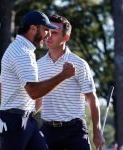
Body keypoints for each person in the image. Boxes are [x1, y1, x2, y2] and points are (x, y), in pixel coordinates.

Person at [0, 10, 75, 150]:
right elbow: (34, 91)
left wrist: (22, 109)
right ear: (32, 29)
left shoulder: (20, 49)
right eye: (45, 30)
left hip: (24, 120)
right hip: (15, 122)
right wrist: (63, 75)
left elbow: (1, 85)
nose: (48, 35)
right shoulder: (22, 53)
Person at [37, 14, 105, 150]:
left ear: (66, 37)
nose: (49, 36)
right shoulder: (37, 65)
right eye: (48, 31)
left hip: (75, 131)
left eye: (54, 33)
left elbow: (92, 99)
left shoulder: (79, 64)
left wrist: (97, 131)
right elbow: (38, 101)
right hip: (48, 131)